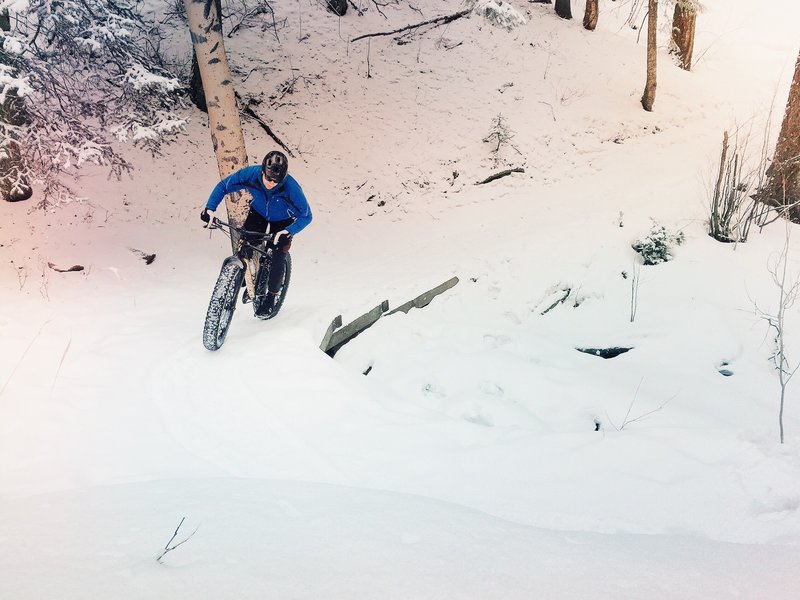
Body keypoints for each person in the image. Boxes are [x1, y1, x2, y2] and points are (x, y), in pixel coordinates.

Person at [201, 150, 312, 315]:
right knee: (246, 243)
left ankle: (271, 296)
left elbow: (307, 216)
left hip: (282, 222)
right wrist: (210, 208)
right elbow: (224, 185)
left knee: (277, 256)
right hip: (258, 212)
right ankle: (246, 275)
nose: (271, 183)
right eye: (268, 178)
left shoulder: (291, 188)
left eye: (276, 181)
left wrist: (288, 231)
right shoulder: (251, 175)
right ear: (262, 171)